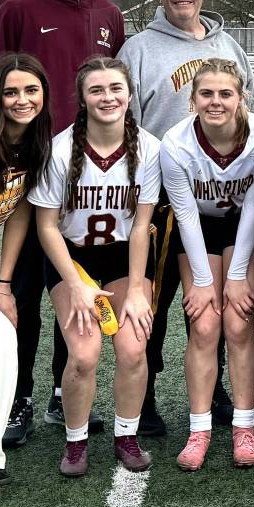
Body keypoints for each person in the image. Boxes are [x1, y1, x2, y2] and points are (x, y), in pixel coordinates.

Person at [0, 0, 123, 442]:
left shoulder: (109, 12)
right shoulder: (20, 4)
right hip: (27, 164)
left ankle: (62, 393)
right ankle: (15, 399)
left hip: (87, 174)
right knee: (17, 286)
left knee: (76, 282)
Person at [116, 0, 254, 436]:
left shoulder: (229, 47)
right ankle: (146, 391)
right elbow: (122, 118)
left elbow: (252, 115)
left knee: (213, 303)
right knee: (154, 299)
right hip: (160, 194)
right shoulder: (138, 49)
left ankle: (215, 390)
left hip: (224, 197)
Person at [29, 57, 161, 477]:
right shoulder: (59, 149)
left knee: (133, 346)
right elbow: (46, 227)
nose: (108, 97)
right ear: (82, 99)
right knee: (85, 354)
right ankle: (75, 442)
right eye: (97, 90)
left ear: (129, 93)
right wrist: (77, 285)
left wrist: (139, 290)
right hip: (73, 256)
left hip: (124, 255)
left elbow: (142, 226)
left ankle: (127, 435)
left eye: (115, 88)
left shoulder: (150, 148)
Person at [160, 59, 254, 471]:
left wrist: (237, 274)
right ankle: (199, 428)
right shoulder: (175, 143)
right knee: (205, 323)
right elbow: (187, 217)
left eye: (226, 93)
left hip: (247, 226)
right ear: (192, 100)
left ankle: (244, 426)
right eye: (206, 93)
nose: (216, 102)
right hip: (200, 228)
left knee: (239, 321)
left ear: (242, 98)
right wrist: (204, 282)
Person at [0, 54, 53, 486]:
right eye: (11, 91)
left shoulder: (37, 143)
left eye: (31, 90)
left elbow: (19, 215)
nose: (22, 100)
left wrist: (4, 284)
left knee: (2, 339)